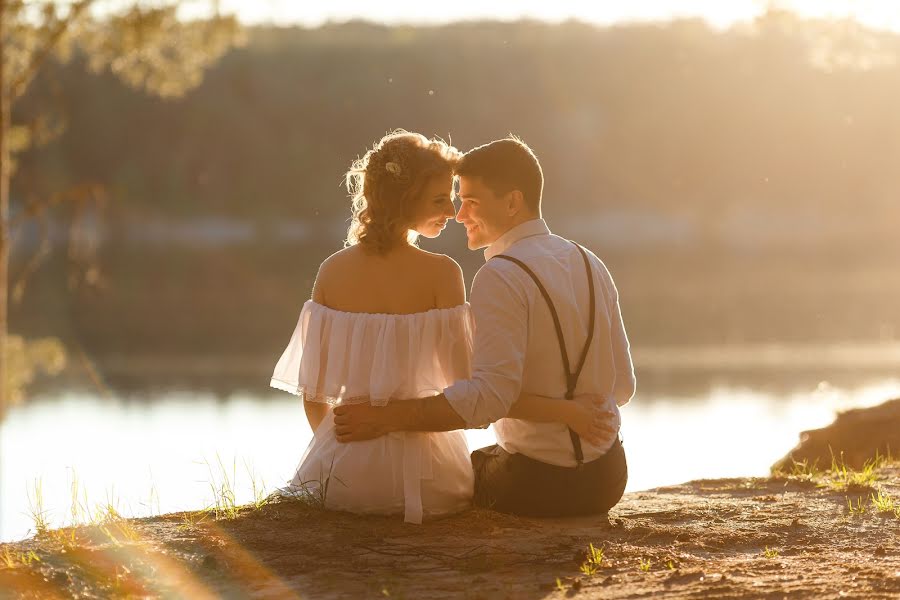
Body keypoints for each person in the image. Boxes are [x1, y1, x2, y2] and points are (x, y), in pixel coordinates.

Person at [270, 130, 610, 523]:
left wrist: (341, 454)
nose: (451, 212)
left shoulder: (331, 270)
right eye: (439, 200)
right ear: (402, 202)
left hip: (342, 466)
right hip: (427, 476)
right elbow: (469, 388)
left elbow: (314, 394)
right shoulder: (443, 274)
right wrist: (568, 410)